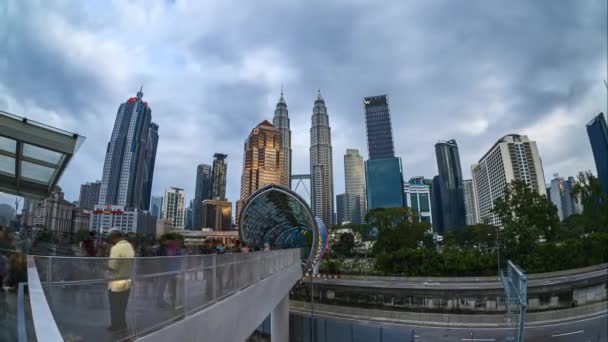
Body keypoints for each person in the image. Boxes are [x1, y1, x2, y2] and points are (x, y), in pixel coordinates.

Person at [106, 228, 134, 332]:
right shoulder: (129, 246)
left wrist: (104, 266)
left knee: (114, 305)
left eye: (110, 238)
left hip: (116, 282)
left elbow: (113, 267)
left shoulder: (116, 248)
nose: (109, 240)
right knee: (123, 305)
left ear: (114, 237)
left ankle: (115, 326)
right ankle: (123, 324)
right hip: (127, 280)